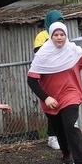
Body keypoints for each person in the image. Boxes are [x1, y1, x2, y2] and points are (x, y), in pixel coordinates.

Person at [27, 22, 82, 164]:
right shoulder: (43, 55)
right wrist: (46, 97)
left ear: (66, 35)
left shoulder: (74, 51)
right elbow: (31, 81)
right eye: (56, 35)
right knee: (59, 130)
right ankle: (66, 153)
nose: (59, 37)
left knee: (71, 126)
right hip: (50, 99)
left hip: (70, 94)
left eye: (62, 34)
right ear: (51, 36)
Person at [34, 10, 65, 151]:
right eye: (57, 21)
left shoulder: (63, 35)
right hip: (48, 76)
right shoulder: (42, 36)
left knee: (65, 104)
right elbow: (38, 54)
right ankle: (52, 137)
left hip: (62, 74)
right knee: (52, 106)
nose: (59, 24)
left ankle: (64, 133)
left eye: (61, 21)